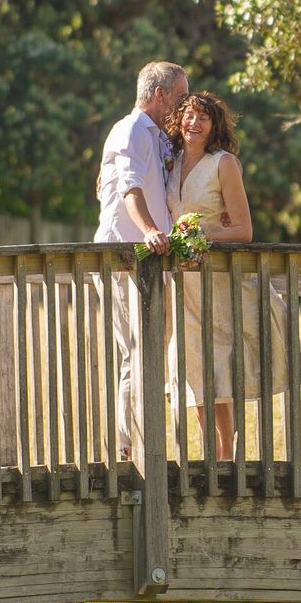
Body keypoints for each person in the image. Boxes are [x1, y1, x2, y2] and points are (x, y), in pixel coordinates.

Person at [163, 90, 298, 462]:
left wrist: (200, 239)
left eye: (203, 118)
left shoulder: (223, 163)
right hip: (183, 284)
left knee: (218, 368)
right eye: (189, 116)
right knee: (192, 367)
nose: (194, 123)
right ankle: (211, 453)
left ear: (214, 126)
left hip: (217, 282)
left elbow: (242, 229)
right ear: (179, 120)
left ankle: (225, 456)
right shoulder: (170, 164)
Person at [93, 60, 188, 461]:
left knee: (150, 350)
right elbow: (130, 188)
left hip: (151, 262)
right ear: (159, 94)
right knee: (137, 352)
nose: (184, 106)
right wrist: (149, 230)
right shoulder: (130, 129)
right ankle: (128, 449)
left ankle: (146, 441)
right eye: (180, 97)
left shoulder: (160, 137)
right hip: (125, 257)